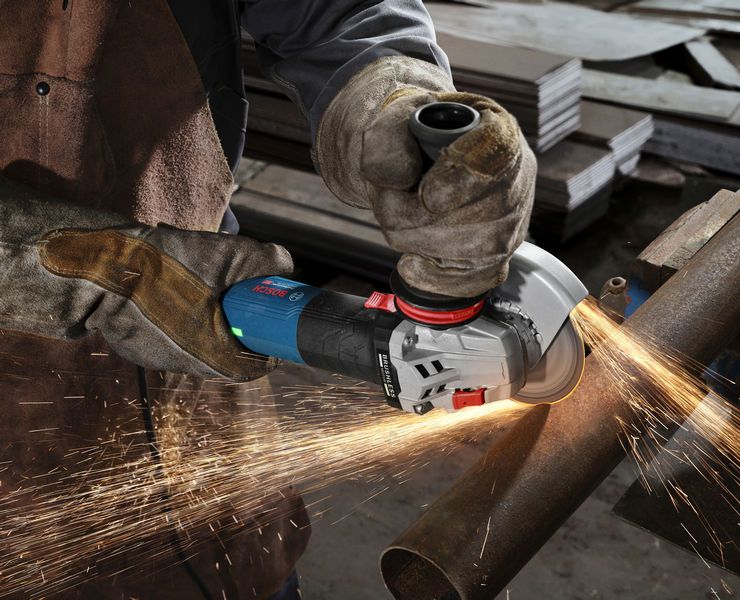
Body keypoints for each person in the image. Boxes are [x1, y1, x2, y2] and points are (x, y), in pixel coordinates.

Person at [0, 1, 536, 598]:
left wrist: (389, 90)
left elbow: (336, 12)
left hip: (206, 376)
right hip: (16, 426)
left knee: (243, 561)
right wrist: (87, 269)